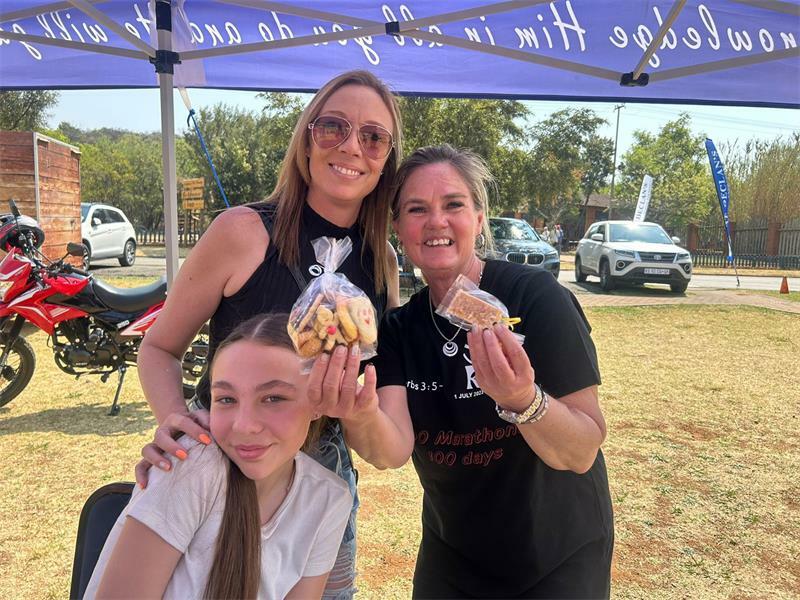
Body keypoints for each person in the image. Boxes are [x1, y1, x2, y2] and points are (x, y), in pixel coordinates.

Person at [135, 70, 403, 598]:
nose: (352, 147)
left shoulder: (383, 262)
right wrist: (175, 420)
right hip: (226, 461)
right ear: (306, 140)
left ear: (386, 161)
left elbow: (383, 435)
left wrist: (357, 409)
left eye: (373, 137)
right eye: (333, 127)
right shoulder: (242, 232)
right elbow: (160, 348)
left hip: (323, 472)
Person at [313, 145, 613, 598]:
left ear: (478, 218)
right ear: (398, 228)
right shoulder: (398, 329)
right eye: (417, 209)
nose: (436, 221)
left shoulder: (535, 297)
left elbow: (581, 451)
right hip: (453, 558)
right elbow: (392, 451)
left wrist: (522, 399)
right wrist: (357, 412)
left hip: (557, 556)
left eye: (453, 204)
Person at [85, 313, 353, 599]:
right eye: (226, 399)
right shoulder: (194, 467)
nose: (244, 426)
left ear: (318, 402)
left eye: (273, 398)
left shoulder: (329, 499)